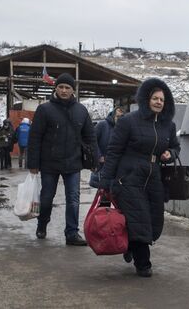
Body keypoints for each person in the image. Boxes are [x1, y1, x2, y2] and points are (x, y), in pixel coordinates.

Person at [97, 78, 180, 277]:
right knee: (139, 217)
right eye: (155, 98)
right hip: (129, 177)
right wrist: (105, 182)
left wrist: (170, 153)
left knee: (153, 219)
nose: (159, 102)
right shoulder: (128, 121)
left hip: (154, 177)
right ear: (146, 99)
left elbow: (176, 146)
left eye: (162, 99)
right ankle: (143, 263)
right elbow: (114, 151)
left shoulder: (168, 125)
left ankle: (131, 245)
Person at [27, 73, 97, 246]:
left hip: (73, 163)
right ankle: (42, 223)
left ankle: (72, 233)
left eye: (67, 87)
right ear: (55, 88)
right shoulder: (44, 110)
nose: (64, 90)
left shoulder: (81, 110)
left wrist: (95, 160)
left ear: (73, 90)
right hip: (49, 163)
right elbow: (35, 138)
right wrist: (33, 164)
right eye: (61, 87)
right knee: (46, 198)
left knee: (73, 198)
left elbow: (90, 136)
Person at [89, 106, 124, 188]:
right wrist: (99, 156)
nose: (120, 119)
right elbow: (92, 141)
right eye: (118, 117)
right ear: (113, 116)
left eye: (122, 117)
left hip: (117, 166)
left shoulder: (124, 129)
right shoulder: (102, 125)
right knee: (102, 192)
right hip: (102, 165)